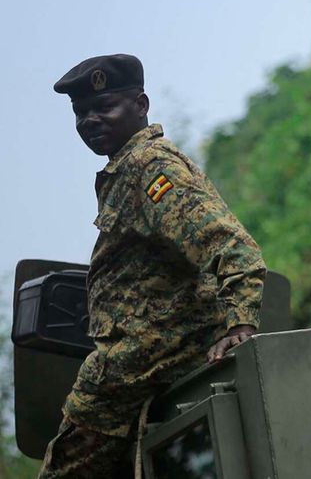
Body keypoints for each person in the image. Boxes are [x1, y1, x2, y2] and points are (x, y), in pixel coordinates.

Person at [41, 54, 266, 478]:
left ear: (141, 105)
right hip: (142, 363)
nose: (90, 121)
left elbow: (231, 245)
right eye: (81, 113)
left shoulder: (150, 167)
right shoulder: (124, 171)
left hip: (140, 362)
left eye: (103, 108)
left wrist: (240, 325)